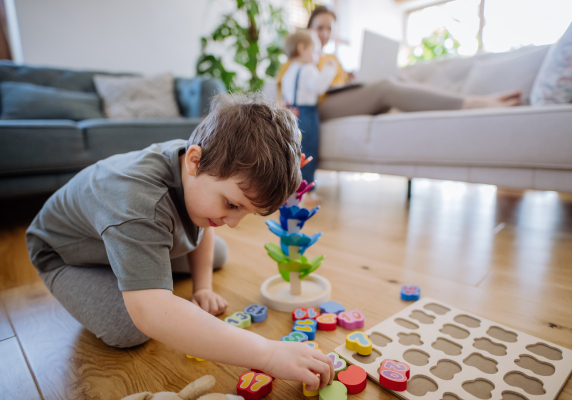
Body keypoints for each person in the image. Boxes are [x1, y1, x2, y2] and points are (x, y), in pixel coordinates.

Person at [25, 93, 335, 392]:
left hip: (126, 230)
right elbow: (151, 313)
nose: (234, 222)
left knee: (217, 254)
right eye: (231, 204)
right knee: (130, 327)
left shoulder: (199, 161)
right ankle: (137, 272)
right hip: (64, 255)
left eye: (247, 213)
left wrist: (202, 288)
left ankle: (141, 268)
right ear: (194, 162)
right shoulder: (138, 206)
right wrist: (267, 353)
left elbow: (203, 226)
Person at [277, 6, 521, 122]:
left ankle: (462, 99)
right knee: (385, 87)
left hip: (339, 99)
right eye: (319, 28)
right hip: (317, 108)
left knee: (396, 79)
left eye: (329, 29)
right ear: (308, 30)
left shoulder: (332, 60)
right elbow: (283, 95)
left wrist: (351, 79)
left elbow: (339, 85)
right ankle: (472, 103)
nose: (324, 33)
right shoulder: (296, 62)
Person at [281, 30, 337, 202]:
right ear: (302, 49)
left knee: (295, 153)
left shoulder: (288, 72)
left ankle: (292, 189)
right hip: (307, 113)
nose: (318, 56)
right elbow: (319, 87)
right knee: (308, 151)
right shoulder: (308, 69)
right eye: (314, 51)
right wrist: (329, 69)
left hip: (292, 113)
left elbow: (286, 96)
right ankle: (308, 191)